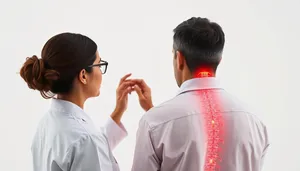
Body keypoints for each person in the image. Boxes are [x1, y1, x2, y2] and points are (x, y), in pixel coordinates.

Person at [131, 17, 269, 171]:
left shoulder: (153, 123)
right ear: (219, 60)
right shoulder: (255, 121)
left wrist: (154, 115)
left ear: (180, 59)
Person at [20, 32, 137, 171]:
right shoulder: (85, 138)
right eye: (99, 65)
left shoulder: (46, 123)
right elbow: (88, 145)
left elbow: (92, 148)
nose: (101, 72)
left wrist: (118, 111)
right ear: (83, 76)